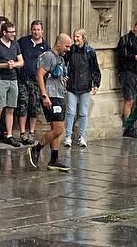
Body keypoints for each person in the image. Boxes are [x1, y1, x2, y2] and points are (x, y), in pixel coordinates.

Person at [28, 33, 70, 172]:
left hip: (60, 94)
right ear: (59, 43)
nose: (68, 49)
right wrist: (44, 95)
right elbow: (40, 75)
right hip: (52, 96)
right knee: (59, 129)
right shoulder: (49, 56)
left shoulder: (60, 58)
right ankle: (36, 148)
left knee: (56, 129)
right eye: (67, 46)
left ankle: (54, 159)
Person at [0, 20, 24, 147]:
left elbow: (21, 62)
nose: (13, 34)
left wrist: (14, 64)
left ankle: (9, 134)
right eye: (10, 32)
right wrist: (4, 65)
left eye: (14, 32)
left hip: (13, 79)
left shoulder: (15, 45)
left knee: (11, 108)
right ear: (4, 32)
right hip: (0, 79)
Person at [65, 28, 101, 147]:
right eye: (74, 36)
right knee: (70, 112)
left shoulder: (90, 51)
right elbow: (65, 64)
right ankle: (68, 136)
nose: (75, 39)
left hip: (85, 85)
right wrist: (64, 75)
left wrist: (96, 84)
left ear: (83, 38)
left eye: (77, 37)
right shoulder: (70, 50)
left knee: (83, 113)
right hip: (72, 85)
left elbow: (95, 69)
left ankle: (82, 136)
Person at [17, 20, 48, 145]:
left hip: (37, 82)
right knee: (23, 105)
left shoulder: (45, 46)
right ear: (31, 30)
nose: (36, 32)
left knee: (34, 107)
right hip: (23, 79)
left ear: (42, 31)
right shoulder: (23, 42)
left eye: (38, 29)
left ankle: (32, 132)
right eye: (34, 29)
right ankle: (22, 133)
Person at [116, 19, 137, 137]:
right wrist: (135, 57)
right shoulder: (125, 39)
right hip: (127, 72)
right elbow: (121, 56)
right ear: (135, 27)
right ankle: (128, 127)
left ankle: (134, 126)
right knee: (129, 100)